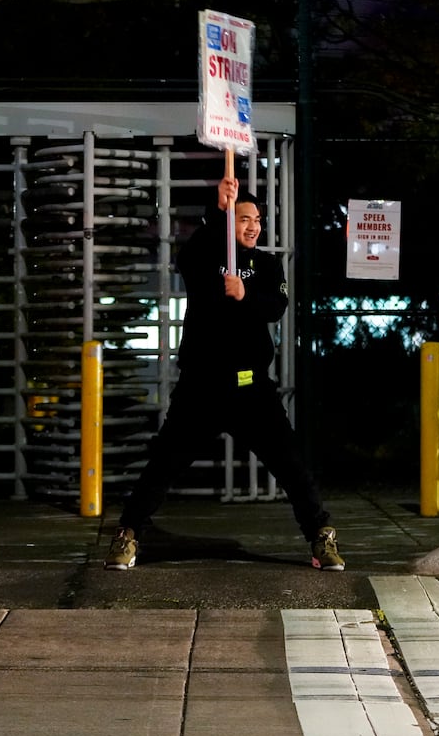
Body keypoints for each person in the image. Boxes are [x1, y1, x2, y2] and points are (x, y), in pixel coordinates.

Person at [106, 177, 343, 572]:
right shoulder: (203, 256)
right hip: (201, 388)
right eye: (244, 218)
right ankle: (128, 535)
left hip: (252, 390)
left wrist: (244, 295)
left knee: (291, 465)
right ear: (227, 223)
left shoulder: (266, 264)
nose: (253, 226)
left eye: (258, 220)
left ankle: (321, 537)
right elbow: (191, 254)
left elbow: (276, 306)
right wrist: (220, 209)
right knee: (162, 465)